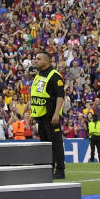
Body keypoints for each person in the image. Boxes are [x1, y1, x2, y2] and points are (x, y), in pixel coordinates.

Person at [29, 50, 66, 179]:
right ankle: (48, 169)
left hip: (51, 116)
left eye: (38, 59)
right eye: (35, 58)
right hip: (41, 116)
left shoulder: (54, 76)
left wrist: (56, 114)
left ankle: (60, 170)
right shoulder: (38, 76)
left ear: (46, 61)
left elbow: (61, 96)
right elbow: (35, 96)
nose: (35, 60)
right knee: (45, 144)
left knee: (56, 143)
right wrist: (32, 115)